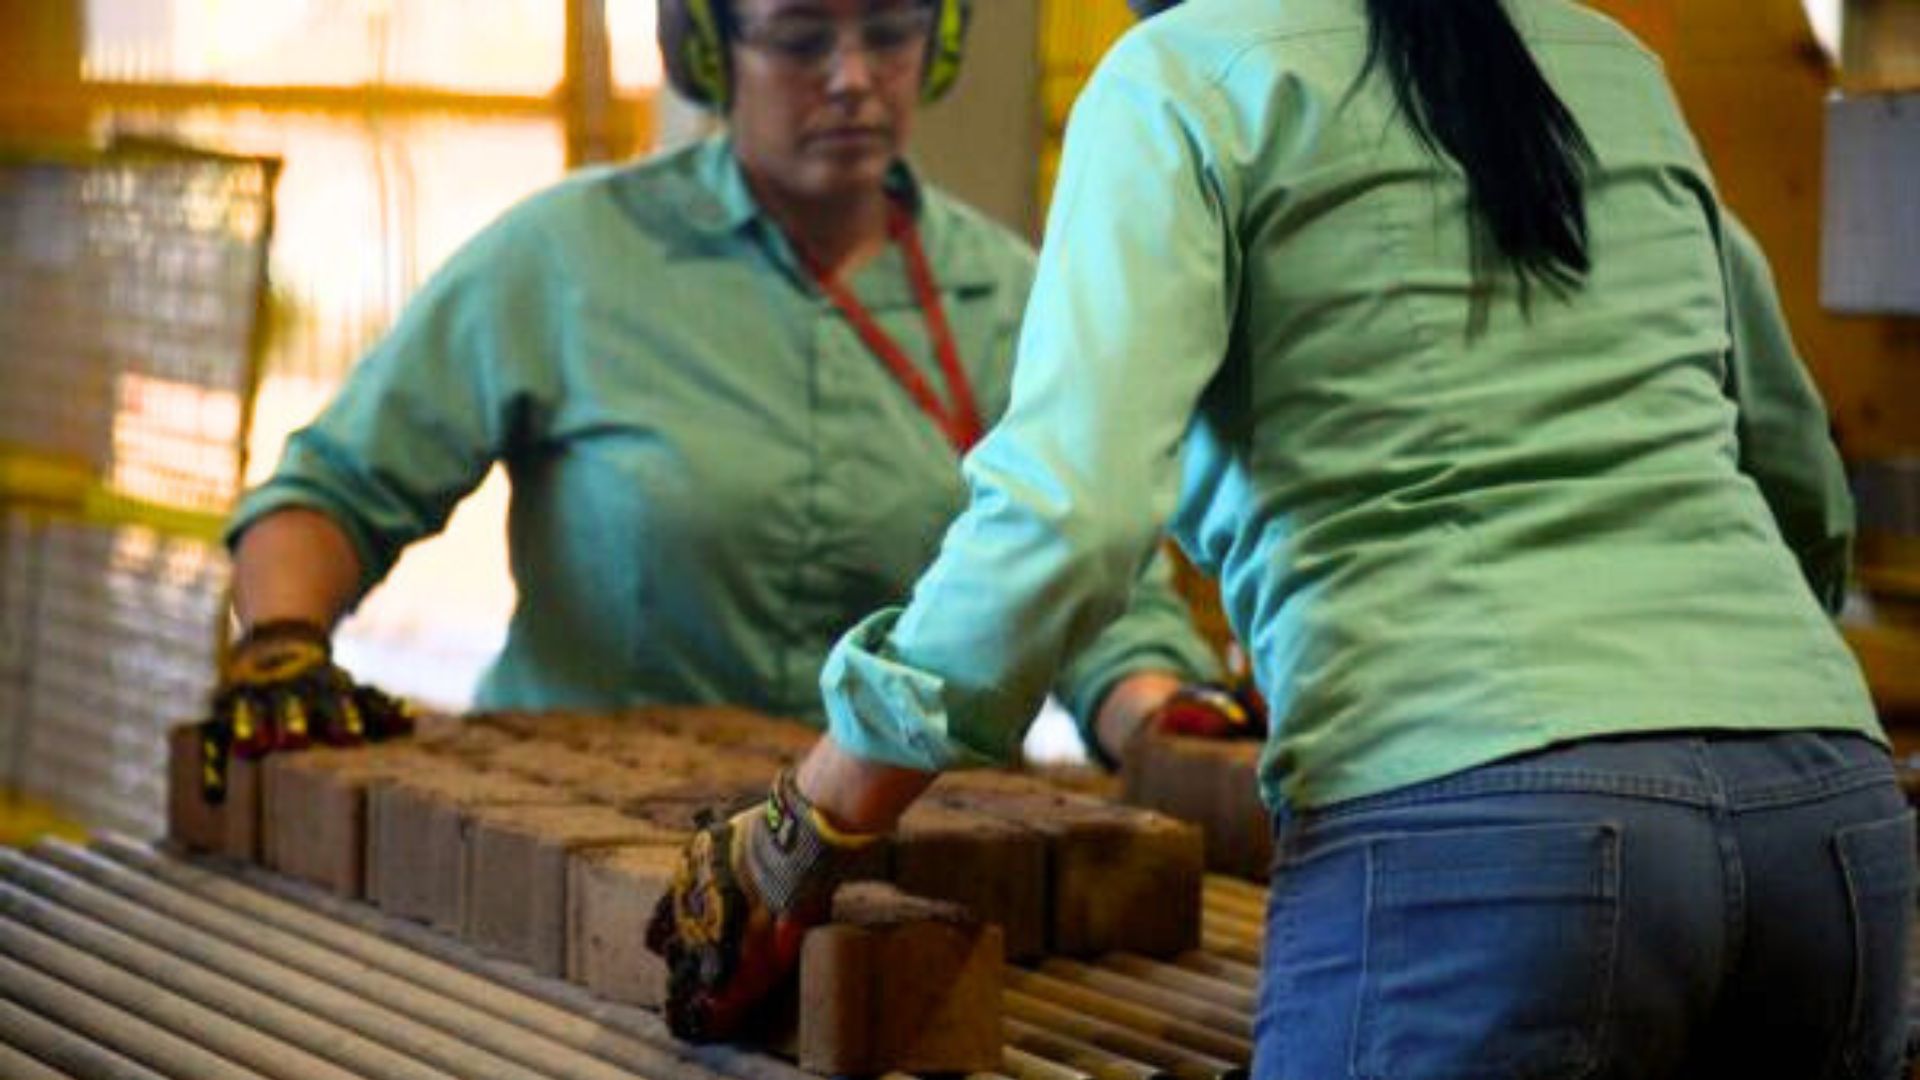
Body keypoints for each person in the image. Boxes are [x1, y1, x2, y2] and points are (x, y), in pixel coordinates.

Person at [647, 0, 1917, 1075]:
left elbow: (1070, 519)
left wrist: (812, 823)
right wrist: (1727, 699)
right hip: (1831, 828)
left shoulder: (1181, 77)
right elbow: (1794, 474)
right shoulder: (1607, 62)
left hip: (1485, 845)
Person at [196, 0, 1231, 799]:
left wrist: (1162, 718)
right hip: (579, 817)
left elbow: (1099, 602)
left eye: (889, 34)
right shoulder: (568, 259)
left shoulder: (1014, 300)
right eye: (800, 40)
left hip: (888, 847)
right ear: (707, 48)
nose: (854, 79)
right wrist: (282, 642)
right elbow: (336, 491)